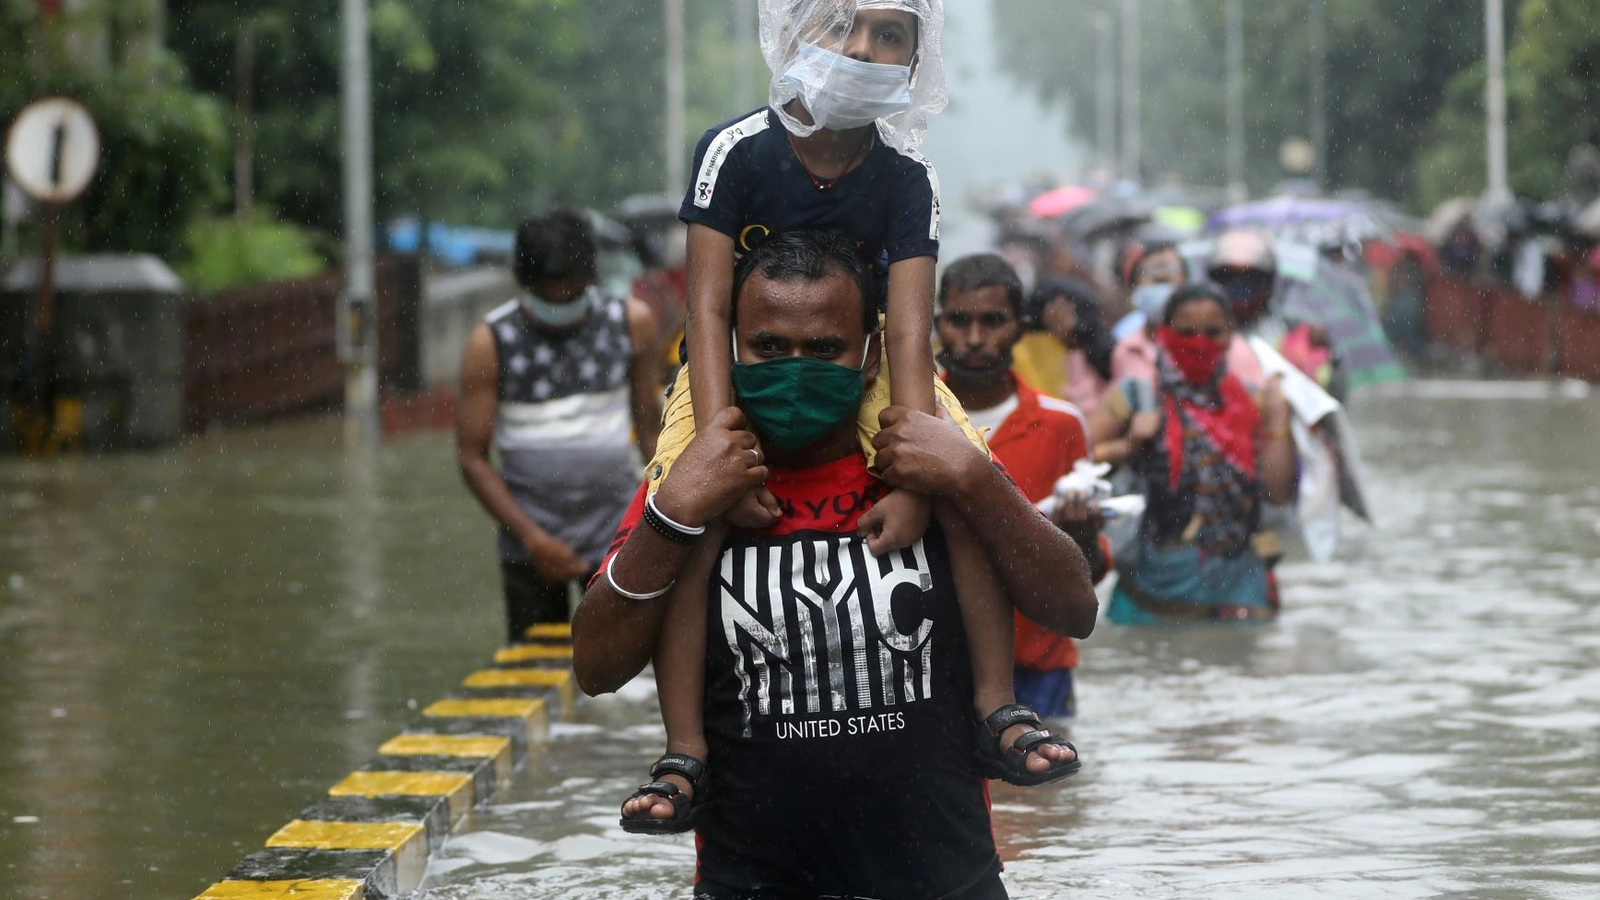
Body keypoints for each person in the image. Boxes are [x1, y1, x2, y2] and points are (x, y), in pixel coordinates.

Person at [573, 230, 1099, 898]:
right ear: (729, 347)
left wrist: (975, 480)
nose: (796, 369)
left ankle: (1002, 715)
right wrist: (673, 513)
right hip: (754, 881)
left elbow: (1073, 610)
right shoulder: (702, 483)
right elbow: (594, 667)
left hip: (944, 877)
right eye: (768, 348)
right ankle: (684, 761)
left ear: (871, 352)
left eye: (824, 349)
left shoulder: (925, 464)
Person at [635, 1, 1061, 824]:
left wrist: (917, 475)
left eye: (891, 35)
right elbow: (709, 309)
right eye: (841, 25)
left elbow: (905, 329)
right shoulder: (733, 152)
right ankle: (685, 751)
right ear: (794, 30)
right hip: (733, 364)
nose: (863, 47)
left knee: (965, 478)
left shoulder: (908, 180)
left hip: (860, 366)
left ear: (915, 59)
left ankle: (997, 708)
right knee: (684, 517)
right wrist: (724, 454)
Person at [456, 209, 662, 642]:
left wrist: (663, 522)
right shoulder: (490, 342)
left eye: (572, 294)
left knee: (628, 660)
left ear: (592, 278)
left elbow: (651, 433)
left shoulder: (631, 323)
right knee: (538, 668)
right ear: (518, 278)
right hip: (529, 544)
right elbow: (472, 458)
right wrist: (534, 541)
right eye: (550, 297)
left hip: (618, 535)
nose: (562, 306)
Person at [935, 253, 1111, 718]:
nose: (974, 339)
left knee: (1045, 788)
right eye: (959, 320)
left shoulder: (1061, 424)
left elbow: (1090, 575)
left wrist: (1083, 534)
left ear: (1019, 327)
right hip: (938, 666)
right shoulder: (913, 418)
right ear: (935, 325)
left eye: (992, 321)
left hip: (1039, 665)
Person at [1087, 282, 1298, 624]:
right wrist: (1127, 447)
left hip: (1239, 586)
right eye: (1187, 332)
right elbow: (1071, 459)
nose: (1200, 342)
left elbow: (1278, 493)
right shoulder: (1136, 397)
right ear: (1162, 334)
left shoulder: (1254, 401)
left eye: (1213, 332)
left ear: (1231, 336)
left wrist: (1277, 422)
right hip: (1155, 588)